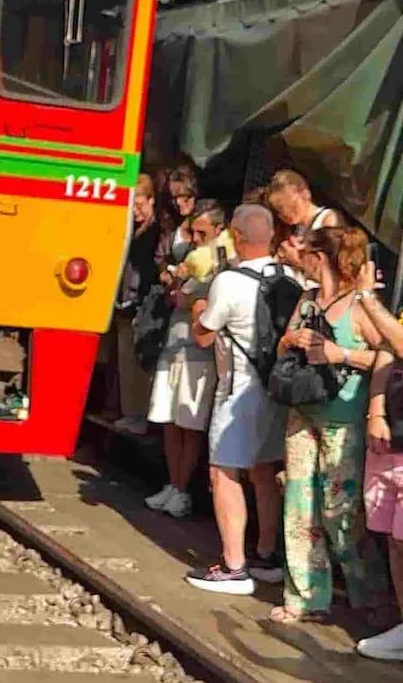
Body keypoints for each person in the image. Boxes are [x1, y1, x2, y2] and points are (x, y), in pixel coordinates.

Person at [268, 227, 388, 624]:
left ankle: (369, 594)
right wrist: (291, 342)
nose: (300, 256)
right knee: (298, 505)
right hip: (303, 412)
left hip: (344, 418)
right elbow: (282, 343)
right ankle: (305, 596)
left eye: (307, 252)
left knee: (341, 511)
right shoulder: (306, 300)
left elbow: (385, 358)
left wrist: (340, 353)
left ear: (320, 258)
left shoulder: (359, 304)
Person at [185, 204, 286, 594]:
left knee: (223, 472)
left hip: (238, 390)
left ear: (238, 237)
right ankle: (266, 555)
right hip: (275, 389)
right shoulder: (288, 275)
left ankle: (233, 566)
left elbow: (205, 334)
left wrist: (198, 311)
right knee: (263, 469)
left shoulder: (228, 281)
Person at [146, 199, 230, 518]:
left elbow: (189, 297)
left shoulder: (223, 262)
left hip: (199, 352)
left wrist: (182, 292)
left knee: (189, 421)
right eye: (192, 232)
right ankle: (171, 483)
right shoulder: (193, 258)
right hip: (175, 343)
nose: (195, 239)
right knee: (169, 418)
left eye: (202, 232)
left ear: (219, 230)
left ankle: (182, 489)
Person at [357, 262, 403, 659]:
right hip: (394, 431)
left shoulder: (372, 302)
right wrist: (376, 408)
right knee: (394, 538)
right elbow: (388, 353)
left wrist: (366, 298)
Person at [110, 174, 160, 436]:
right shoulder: (132, 227)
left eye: (140, 204)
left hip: (140, 304)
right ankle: (129, 413)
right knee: (125, 361)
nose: (136, 211)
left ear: (151, 200)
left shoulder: (156, 231)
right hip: (124, 302)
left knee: (137, 364)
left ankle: (138, 416)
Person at [267, 170, 342, 284]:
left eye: (290, 204)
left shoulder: (329, 219)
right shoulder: (298, 229)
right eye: (279, 209)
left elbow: (332, 274)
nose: (286, 212)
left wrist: (296, 260)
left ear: (305, 194)